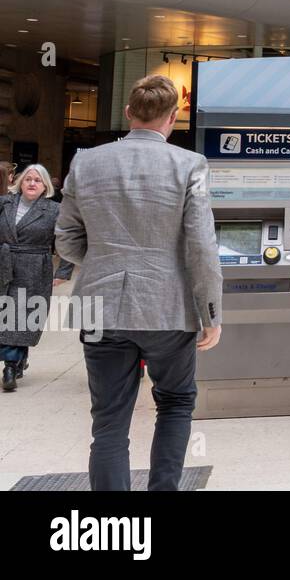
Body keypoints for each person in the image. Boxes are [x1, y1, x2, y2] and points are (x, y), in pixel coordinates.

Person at [55, 75, 223, 491]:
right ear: (174, 117)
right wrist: (211, 314)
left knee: (108, 421)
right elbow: (201, 246)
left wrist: (103, 266)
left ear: (128, 113)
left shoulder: (86, 162)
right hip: (168, 309)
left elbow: (66, 240)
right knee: (176, 402)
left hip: (100, 307)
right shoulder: (191, 165)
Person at [0, 164, 60, 392]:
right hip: (3, 264)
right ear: (20, 182)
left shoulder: (54, 210)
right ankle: (16, 359)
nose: (32, 183)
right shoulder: (4, 203)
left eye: (37, 180)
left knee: (21, 317)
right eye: (28, 179)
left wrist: (64, 271)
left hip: (35, 267)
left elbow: (65, 240)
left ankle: (10, 366)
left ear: (45, 186)